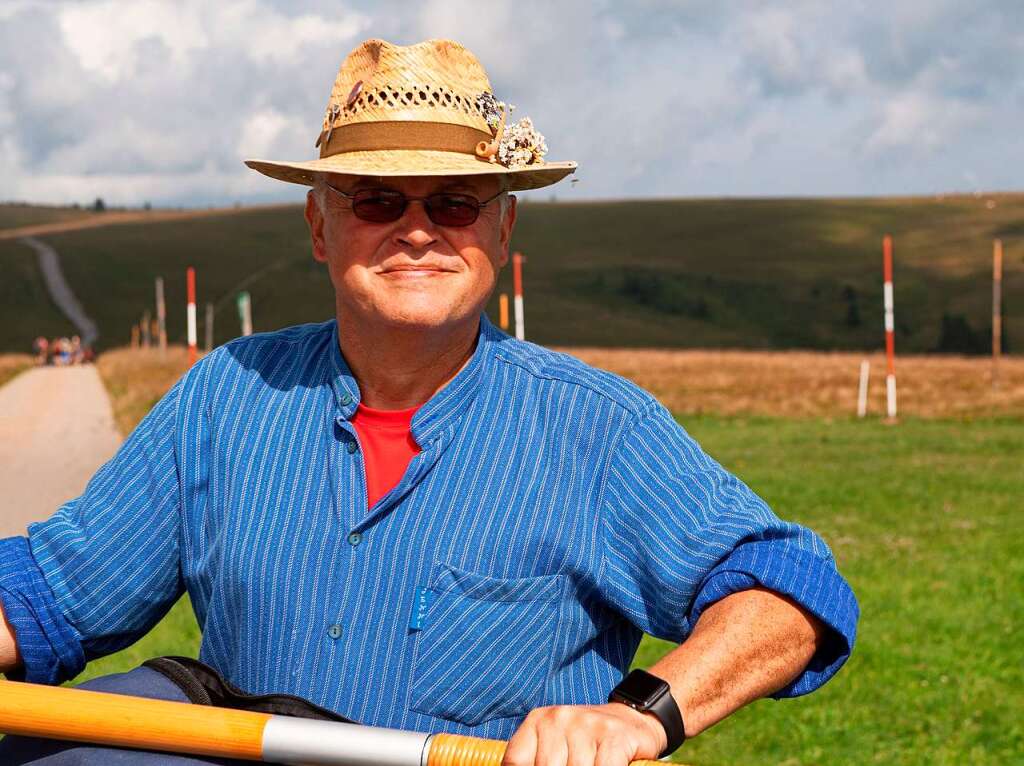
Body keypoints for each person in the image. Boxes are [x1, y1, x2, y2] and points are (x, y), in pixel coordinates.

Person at [0, 38, 858, 765]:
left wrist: (636, 713)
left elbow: (789, 595)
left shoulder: (598, 431)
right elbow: (48, 594)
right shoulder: (224, 399)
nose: (418, 230)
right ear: (318, 225)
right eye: (378, 200)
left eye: (454, 202)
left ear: (503, 230)